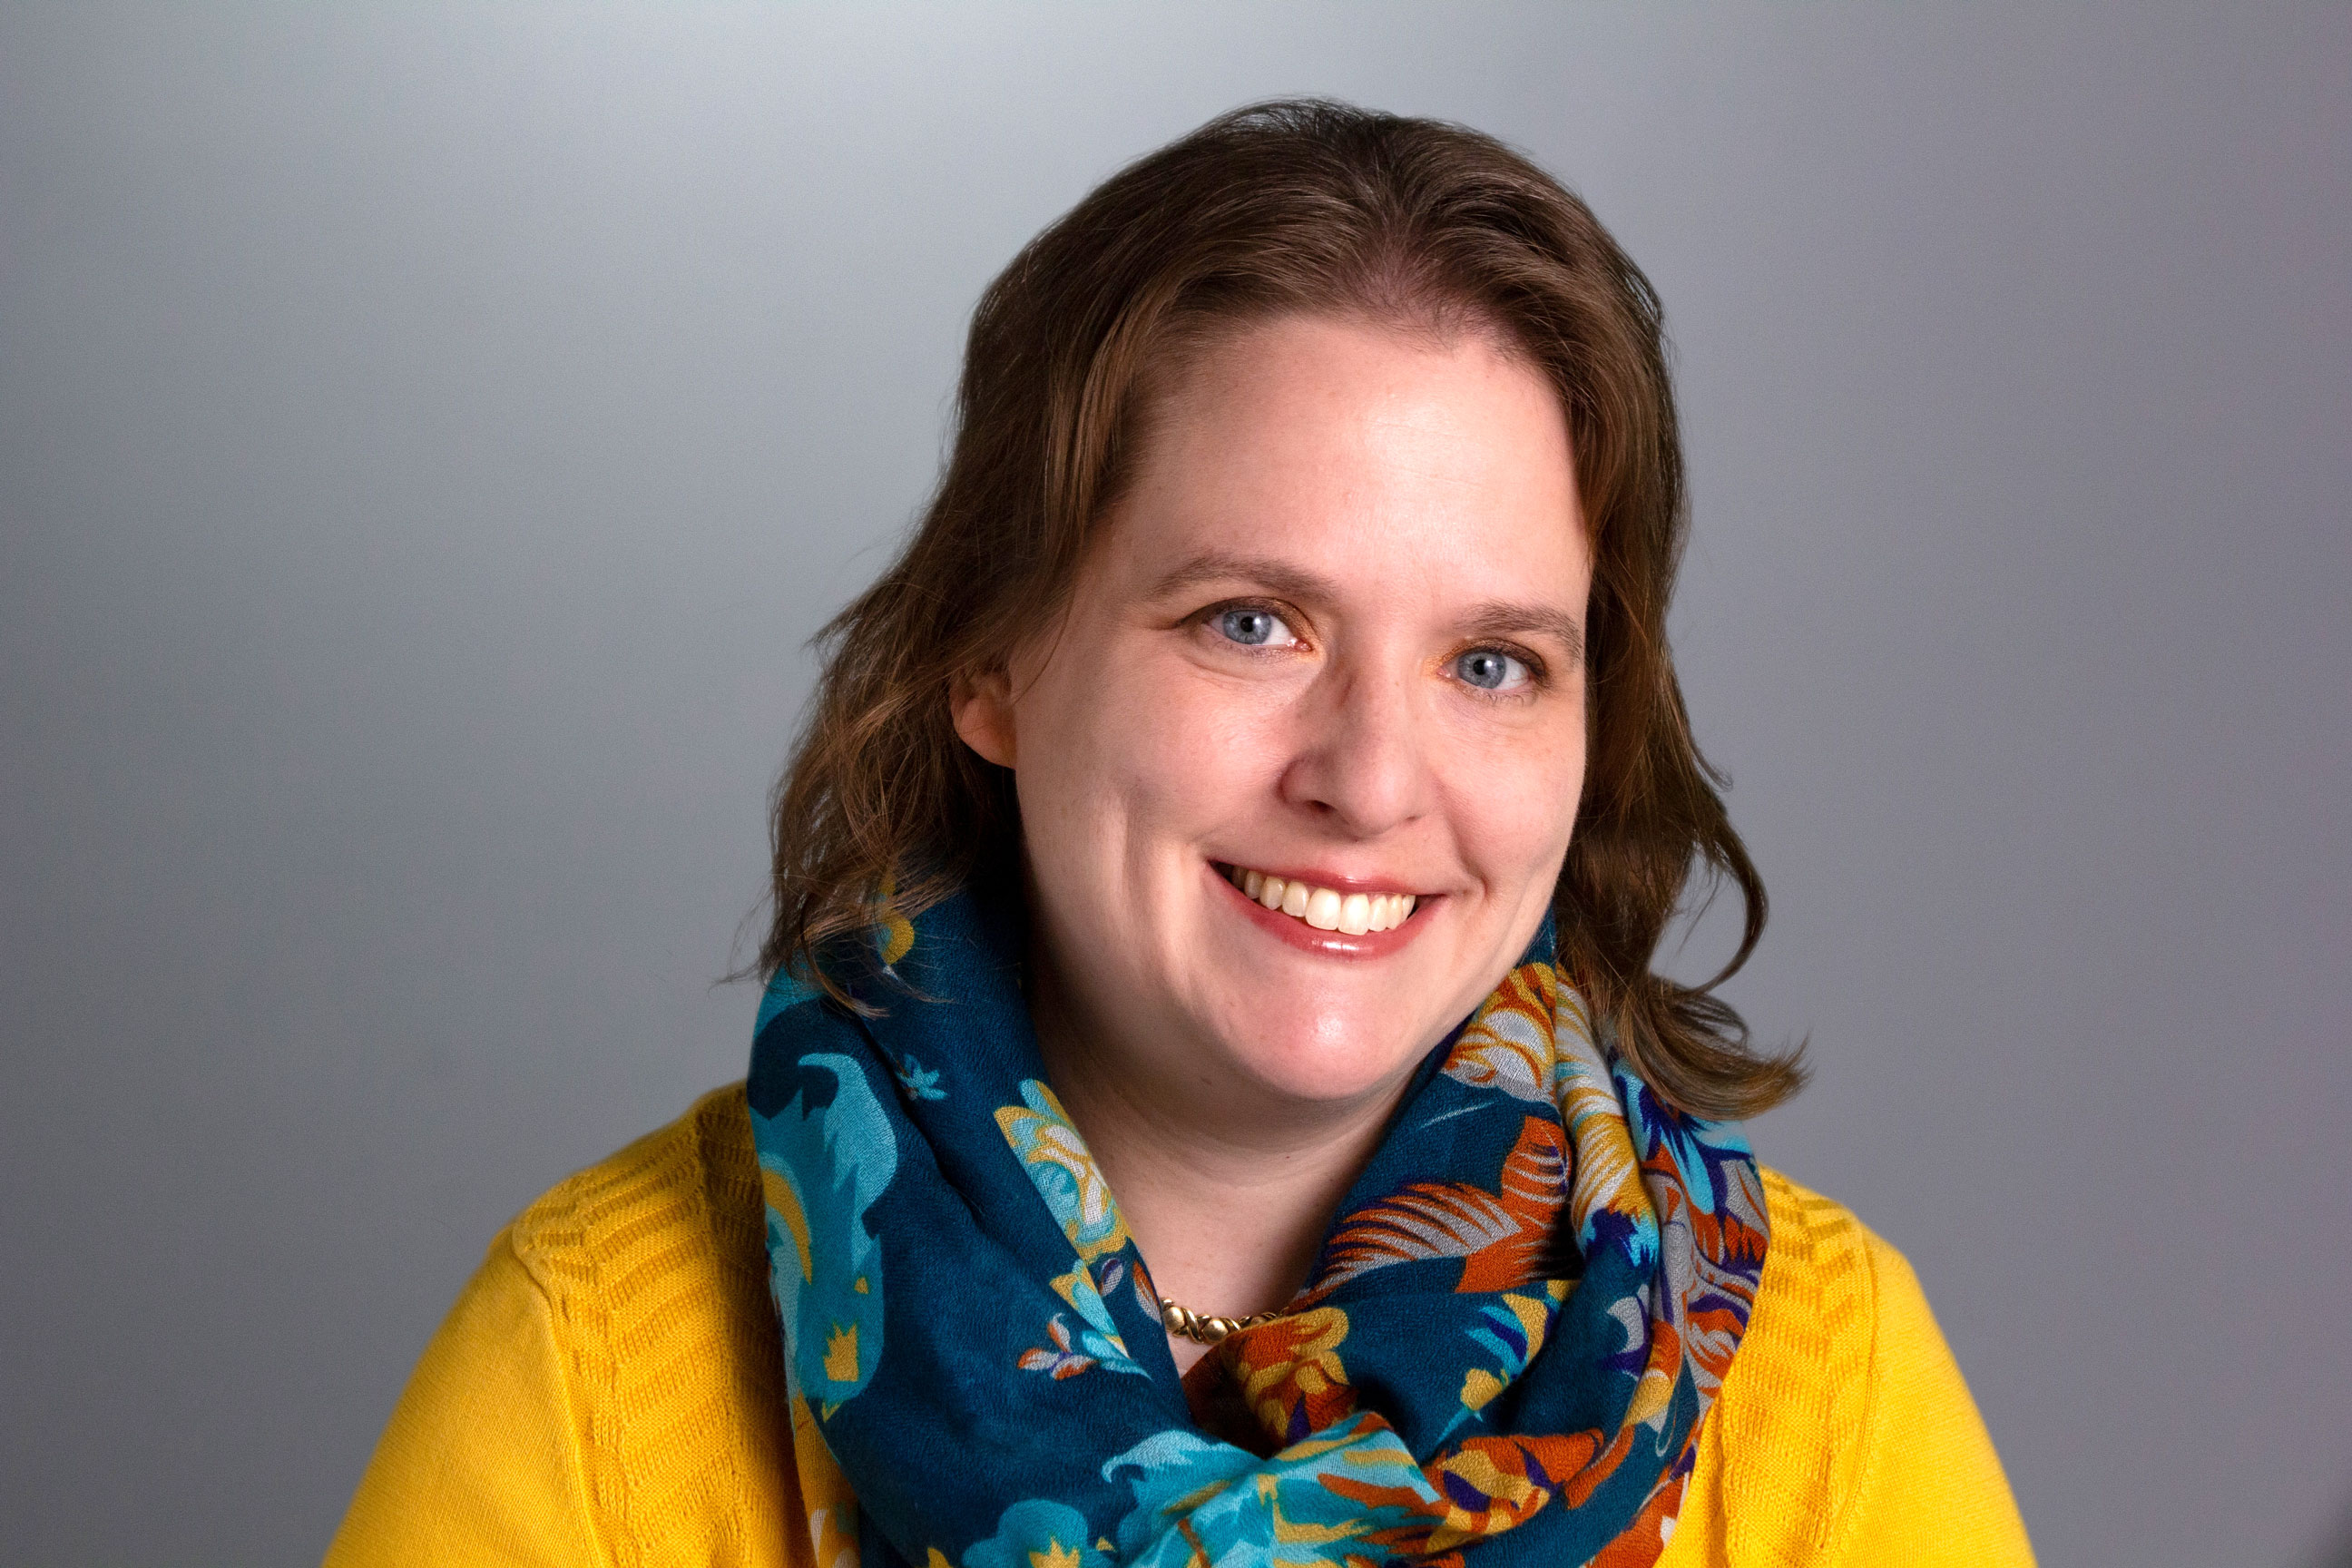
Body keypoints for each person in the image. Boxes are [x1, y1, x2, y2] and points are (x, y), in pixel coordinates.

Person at [328, 101, 2033, 1567]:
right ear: (992, 656)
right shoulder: (603, 1370)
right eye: (1251, 623)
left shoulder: (1820, 1393)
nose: (1372, 780)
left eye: (1492, 662)